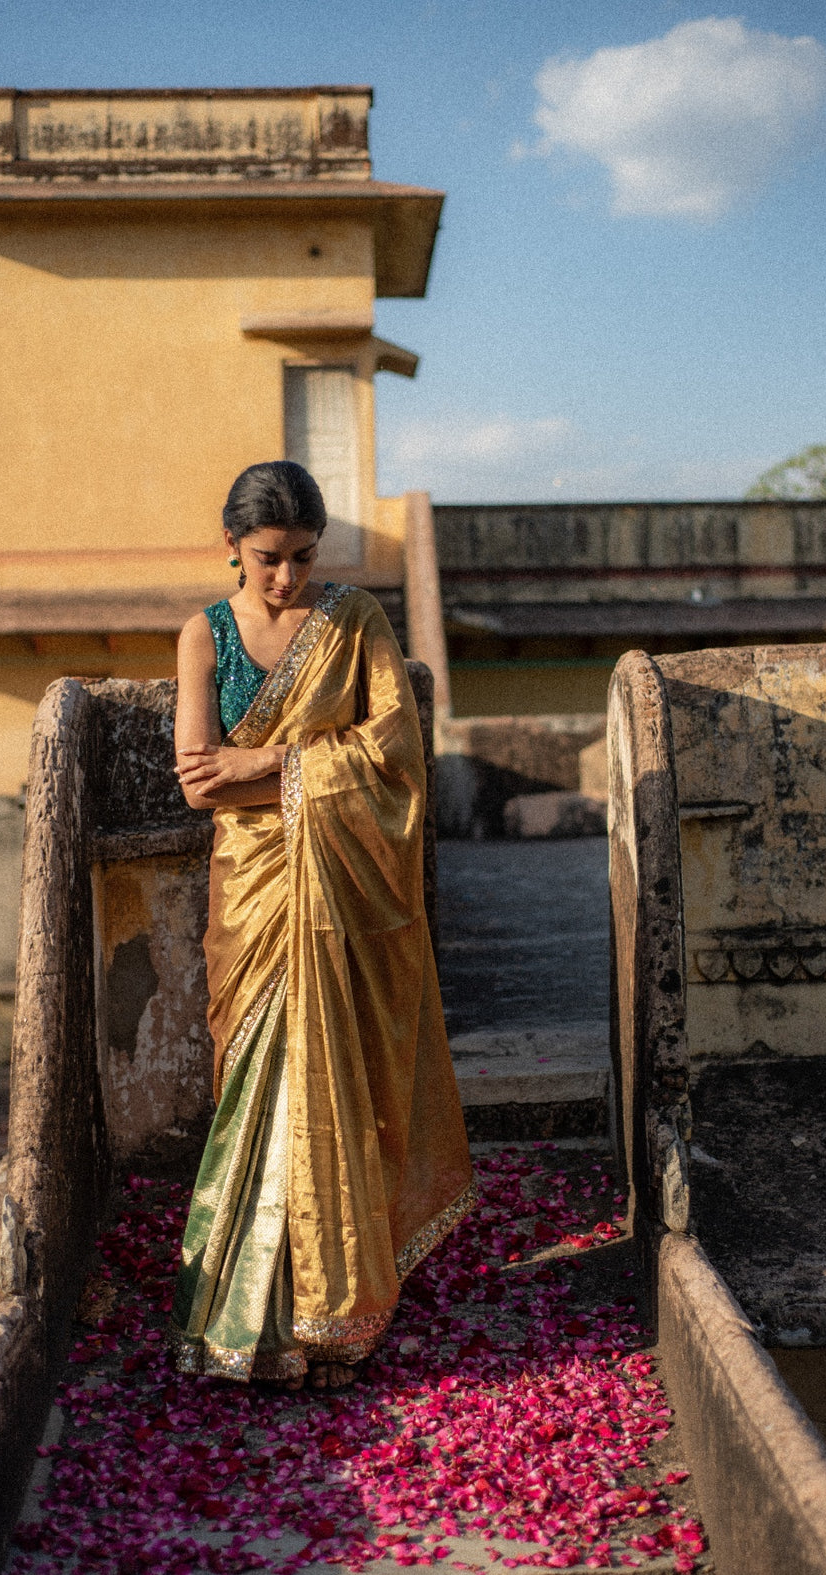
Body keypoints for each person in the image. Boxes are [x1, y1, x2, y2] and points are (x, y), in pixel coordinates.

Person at [170, 461, 474, 1391]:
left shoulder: (357, 624)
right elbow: (195, 779)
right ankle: (244, 1322)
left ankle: (338, 1317)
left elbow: (393, 754)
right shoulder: (204, 634)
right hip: (254, 896)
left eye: (304, 557)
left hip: (343, 899)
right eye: (267, 559)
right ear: (231, 546)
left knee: (333, 1084)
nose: (287, 579)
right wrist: (275, 771)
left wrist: (262, 762)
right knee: (257, 1091)